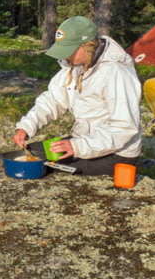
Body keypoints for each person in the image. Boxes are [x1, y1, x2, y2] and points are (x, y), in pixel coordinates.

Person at [12, 16, 142, 176]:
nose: (66, 57)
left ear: (87, 46)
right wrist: (25, 127)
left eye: (69, 50)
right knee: (34, 152)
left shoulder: (116, 72)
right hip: (85, 141)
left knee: (43, 164)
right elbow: (52, 100)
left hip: (116, 154)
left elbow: (124, 127)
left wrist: (77, 146)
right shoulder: (75, 66)